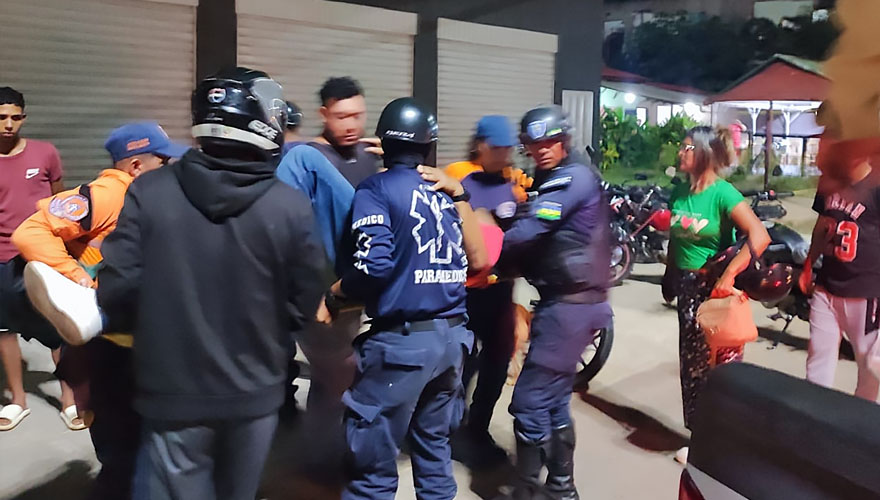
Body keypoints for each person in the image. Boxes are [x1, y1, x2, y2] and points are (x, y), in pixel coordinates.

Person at [24, 67, 331, 500]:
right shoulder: (288, 205)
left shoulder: (150, 192)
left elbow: (120, 289)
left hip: (171, 391)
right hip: (254, 393)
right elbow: (304, 303)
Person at [317, 97, 488, 500]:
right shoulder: (446, 191)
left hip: (402, 347)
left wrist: (333, 296)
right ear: (428, 144)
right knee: (434, 453)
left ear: (384, 142)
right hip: (452, 343)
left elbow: (372, 267)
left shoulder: (376, 189)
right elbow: (480, 261)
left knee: (371, 471)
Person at [14, 121, 188, 500]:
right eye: (162, 160)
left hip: (135, 331)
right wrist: (76, 276)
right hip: (108, 337)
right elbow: (29, 232)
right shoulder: (108, 194)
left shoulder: (142, 196)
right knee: (117, 428)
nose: (169, 168)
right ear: (136, 165)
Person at [494, 106, 612, 500]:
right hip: (573, 303)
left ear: (565, 140)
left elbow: (532, 229)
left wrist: (483, 249)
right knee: (555, 401)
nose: (543, 149)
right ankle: (562, 489)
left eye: (551, 141)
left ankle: (527, 492)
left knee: (529, 403)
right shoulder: (554, 178)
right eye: (535, 143)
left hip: (570, 308)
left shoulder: (573, 177)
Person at [667, 126, 770, 464]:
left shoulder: (723, 193)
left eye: (686, 148)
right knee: (692, 367)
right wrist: (669, 275)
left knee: (721, 367)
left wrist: (729, 275)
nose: (680, 153)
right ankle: (701, 438)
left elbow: (759, 236)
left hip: (714, 290)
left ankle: (727, 441)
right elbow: (676, 240)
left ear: (703, 153)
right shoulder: (679, 192)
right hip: (686, 287)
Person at [444, 115, 521, 464]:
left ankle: (478, 429)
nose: (504, 154)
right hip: (466, 292)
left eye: (508, 148)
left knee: (497, 362)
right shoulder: (460, 179)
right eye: (497, 147)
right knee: (459, 363)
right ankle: (446, 430)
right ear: (480, 145)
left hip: (500, 292)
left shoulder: (512, 183)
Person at [0, 86, 69, 432]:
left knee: (58, 326)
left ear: (24, 118)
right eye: (1, 117)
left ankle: (70, 399)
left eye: (15, 117)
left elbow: (59, 202)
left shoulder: (45, 153)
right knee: (3, 330)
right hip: (1, 258)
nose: (8, 124)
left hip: (41, 257)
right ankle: (18, 400)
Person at [800, 135, 880, 402]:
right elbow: (822, 225)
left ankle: (859, 422)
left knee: (870, 369)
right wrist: (809, 264)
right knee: (817, 361)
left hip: (865, 292)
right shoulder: (830, 183)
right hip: (827, 287)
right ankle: (812, 416)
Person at [310, 76, 381, 187]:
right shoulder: (311, 158)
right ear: (323, 114)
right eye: (341, 117)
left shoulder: (369, 152)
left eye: (357, 116)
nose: (351, 126)